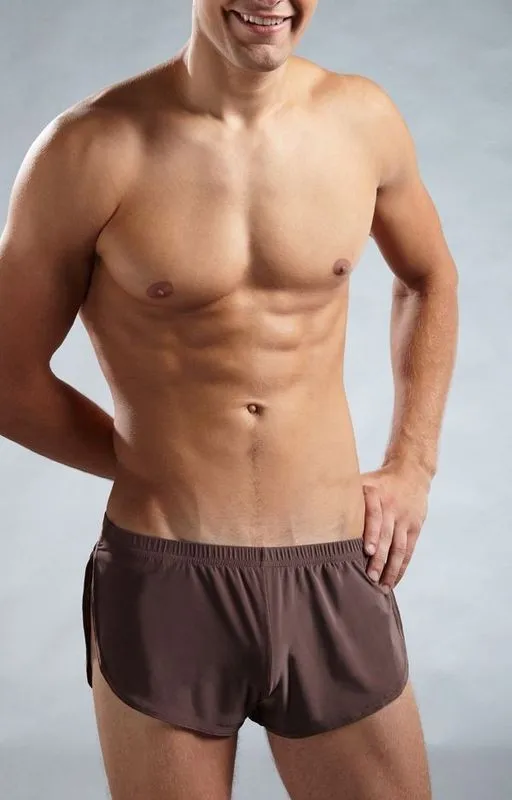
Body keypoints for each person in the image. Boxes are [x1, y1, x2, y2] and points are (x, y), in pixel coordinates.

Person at [0, 0, 459, 797]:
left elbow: (429, 276)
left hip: (332, 564)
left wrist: (412, 465)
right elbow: (6, 377)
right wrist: (145, 462)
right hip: (166, 573)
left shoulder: (361, 121)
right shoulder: (91, 148)